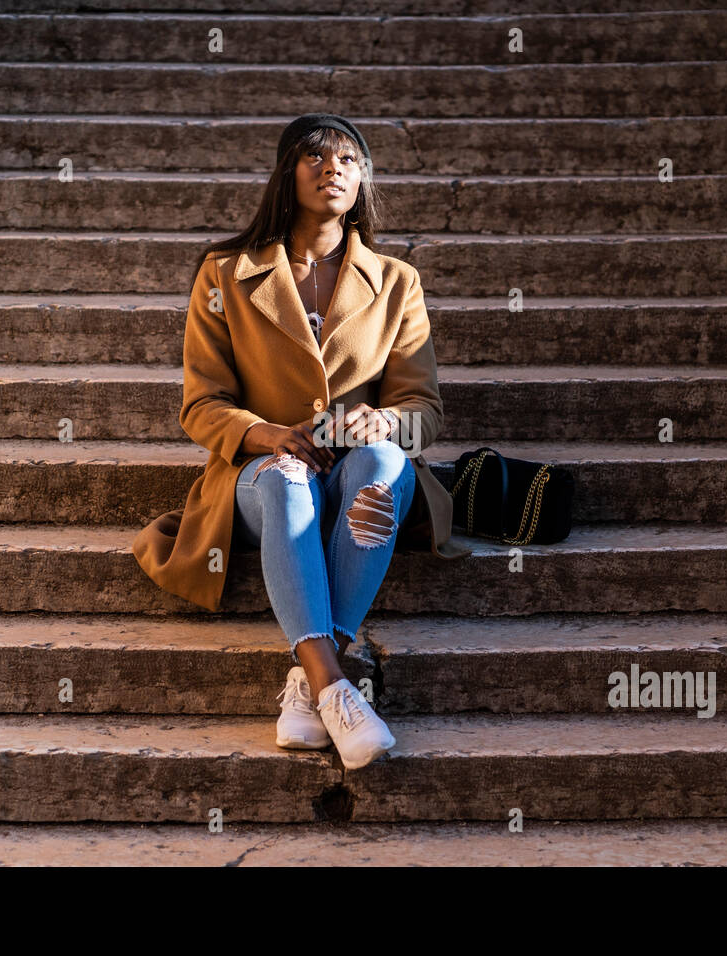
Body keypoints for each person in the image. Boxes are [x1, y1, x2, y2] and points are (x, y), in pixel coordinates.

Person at [131, 112, 472, 770]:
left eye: (348, 159)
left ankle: (307, 684)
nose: (333, 168)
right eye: (315, 156)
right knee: (287, 476)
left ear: (363, 180)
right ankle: (336, 687)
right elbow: (201, 405)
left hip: (356, 476)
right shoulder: (224, 273)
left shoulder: (397, 281)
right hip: (264, 475)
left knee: (381, 461)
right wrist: (264, 433)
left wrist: (387, 422)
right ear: (287, 173)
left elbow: (423, 409)